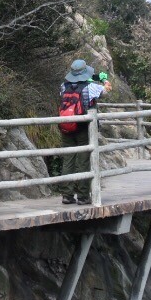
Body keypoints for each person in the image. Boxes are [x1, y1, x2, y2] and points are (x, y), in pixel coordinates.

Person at [55, 59, 108, 205]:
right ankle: (83, 196)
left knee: (68, 160)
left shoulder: (63, 86)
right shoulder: (91, 87)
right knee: (83, 161)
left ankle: (67, 195)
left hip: (66, 126)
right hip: (83, 127)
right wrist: (104, 80)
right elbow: (106, 90)